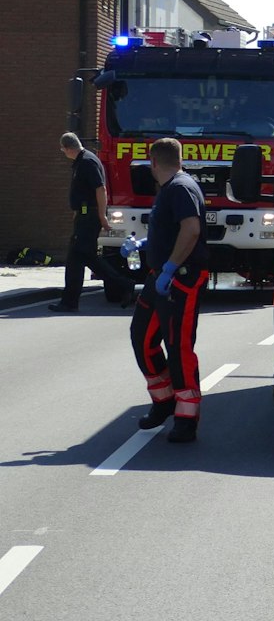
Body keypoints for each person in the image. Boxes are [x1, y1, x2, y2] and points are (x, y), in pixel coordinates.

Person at [130, 138, 209, 443]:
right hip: (160, 276)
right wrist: (148, 245)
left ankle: (186, 418)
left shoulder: (180, 187)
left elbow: (191, 229)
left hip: (181, 279)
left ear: (153, 162)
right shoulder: (170, 188)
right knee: (143, 337)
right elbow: (175, 229)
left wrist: (170, 267)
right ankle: (164, 402)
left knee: (178, 348)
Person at [50, 133, 135, 311]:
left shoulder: (87, 162)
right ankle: (69, 302)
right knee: (75, 258)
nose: (63, 153)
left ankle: (124, 284)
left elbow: (100, 188)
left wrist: (102, 216)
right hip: (83, 215)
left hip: (90, 216)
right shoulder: (82, 161)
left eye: (62, 150)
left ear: (67, 148)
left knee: (84, 255)